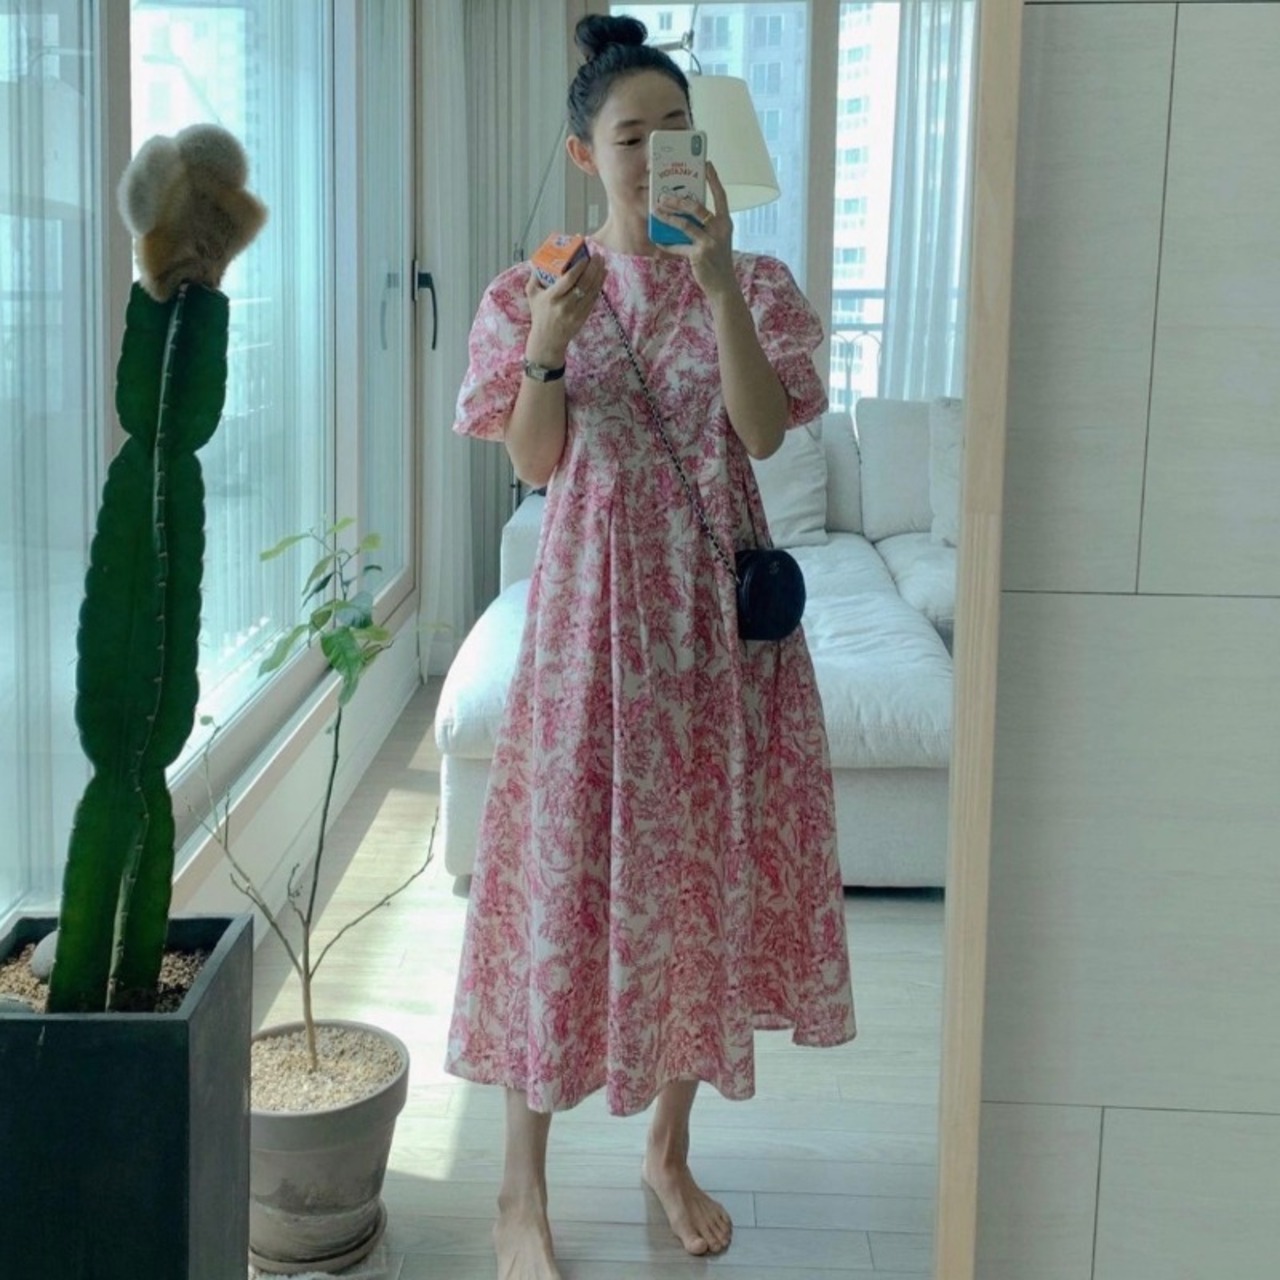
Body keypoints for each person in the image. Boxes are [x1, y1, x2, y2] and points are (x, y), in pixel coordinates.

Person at [444, 15, 856, 1279]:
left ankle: (666, 1149)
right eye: (632, 136)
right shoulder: (532, 289)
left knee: (699, 884)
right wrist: (549, 346)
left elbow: (762, 434)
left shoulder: (756, 282)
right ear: (585, 154)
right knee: (557, 881)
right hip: (591, 621)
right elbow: (534, 462)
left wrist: (718, 282)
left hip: (717, 632)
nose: (659, 153)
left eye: (678, 130)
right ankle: (518, 1188)